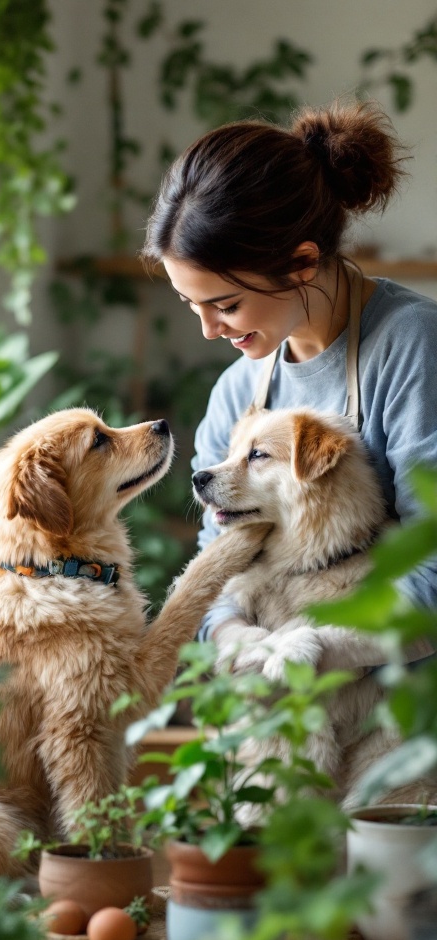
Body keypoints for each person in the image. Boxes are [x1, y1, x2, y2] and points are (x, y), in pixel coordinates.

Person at [141, 100, 437, 660]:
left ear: (302, 263)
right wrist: (237, 640)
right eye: (191, 305)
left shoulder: (412, 348)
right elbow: (216, 566)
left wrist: (318, 652)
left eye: (225, 304)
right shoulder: (237, 390)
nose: (208, 330)